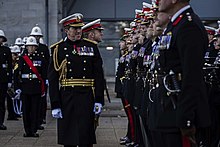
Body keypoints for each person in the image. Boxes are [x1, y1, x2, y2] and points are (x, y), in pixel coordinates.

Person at [147, 0, 211, 146]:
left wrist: (186, 118)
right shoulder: (175, 25)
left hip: (179, 109)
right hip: (169, 107)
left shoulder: (188, 25)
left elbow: (192, 76)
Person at [48, 13, 104, 147]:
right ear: (67, 30)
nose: (79, 31)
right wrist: (55, 103)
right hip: (67, 96)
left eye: (80, 28)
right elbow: (53, 78)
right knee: (69, 136)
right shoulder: (58, 49)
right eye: (74, 28)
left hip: (86, 96)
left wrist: (99, 99)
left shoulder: (91, 46)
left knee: (86, 136)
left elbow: (98, 76)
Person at [14, 36, 47, 137]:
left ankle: (33, 130)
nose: (31, 48)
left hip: (36, 87)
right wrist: (17, 88)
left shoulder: (40, 59)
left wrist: (44, 86)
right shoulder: (22, 59)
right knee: (26, 110)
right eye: (29, 46)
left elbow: (43, 73)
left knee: (35, 110)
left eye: (33, 46)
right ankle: (27, 130)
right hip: (25, 87)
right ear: (26, 47)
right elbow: (17, 74)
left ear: (36, 47)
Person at [82, 18, 105, 130]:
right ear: (91, 35)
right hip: (89, 92)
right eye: (98, 31)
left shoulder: (94, 48)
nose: (101, 33)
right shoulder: (90, 50)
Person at [30, 25, 50, 128]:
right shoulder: (28, 46)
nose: (36, 37)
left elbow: (47, 63)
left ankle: (42, 118)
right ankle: (34, 119)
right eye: (34, 35)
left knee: (42, 100)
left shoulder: (44, 48)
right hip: (32, 79)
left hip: (42, 78)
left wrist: (47, 78)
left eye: (38, 36)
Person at [0, 30, 12, 130]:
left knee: (1, 102)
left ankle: (0, 122)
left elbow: (9, 66)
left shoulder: (6, 50)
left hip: (3, 79)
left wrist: (9, 80)